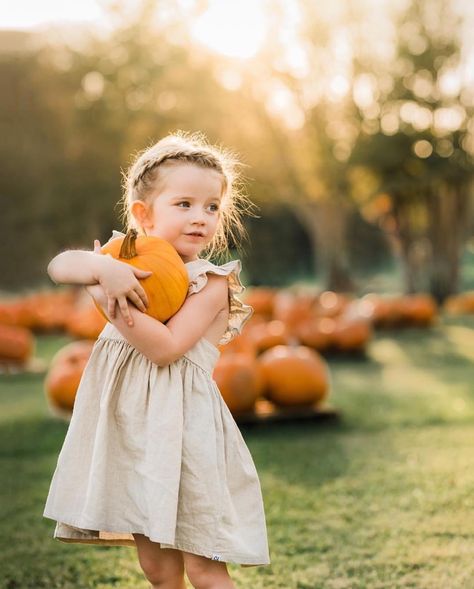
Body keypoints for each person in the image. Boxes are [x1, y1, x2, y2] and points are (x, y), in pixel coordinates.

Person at [42, 131, 271, 589]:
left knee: (205, 569)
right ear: (144, 214)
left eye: (211, 207)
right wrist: (102, 268)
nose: (200, 217)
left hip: (185, 434)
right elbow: (59, 265)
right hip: (133, 433)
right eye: (183, 204)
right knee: (159, 571)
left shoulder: (210, 283)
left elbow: (163, 348)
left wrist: (105, 297)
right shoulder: (120, 260)